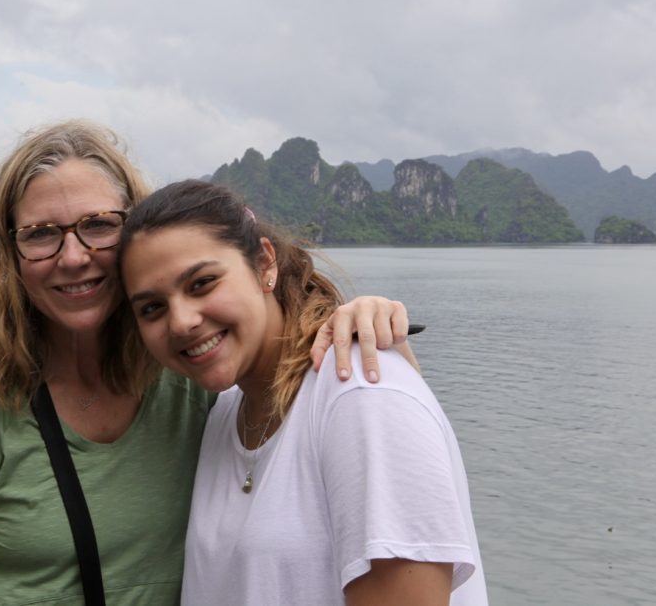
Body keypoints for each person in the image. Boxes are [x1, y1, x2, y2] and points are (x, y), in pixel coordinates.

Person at [0, 120, 420, 605]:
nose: (73, 256)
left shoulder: (197, 382)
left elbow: (315, 396)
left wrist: (364, 322)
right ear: (8, 255)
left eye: (98, 225)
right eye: (41, 234)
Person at [119, 180, 488, 605]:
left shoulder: (362, 395)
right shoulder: (226, 412)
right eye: (151, 308)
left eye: (202, 283)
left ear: (264, 263)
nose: (181, 321)